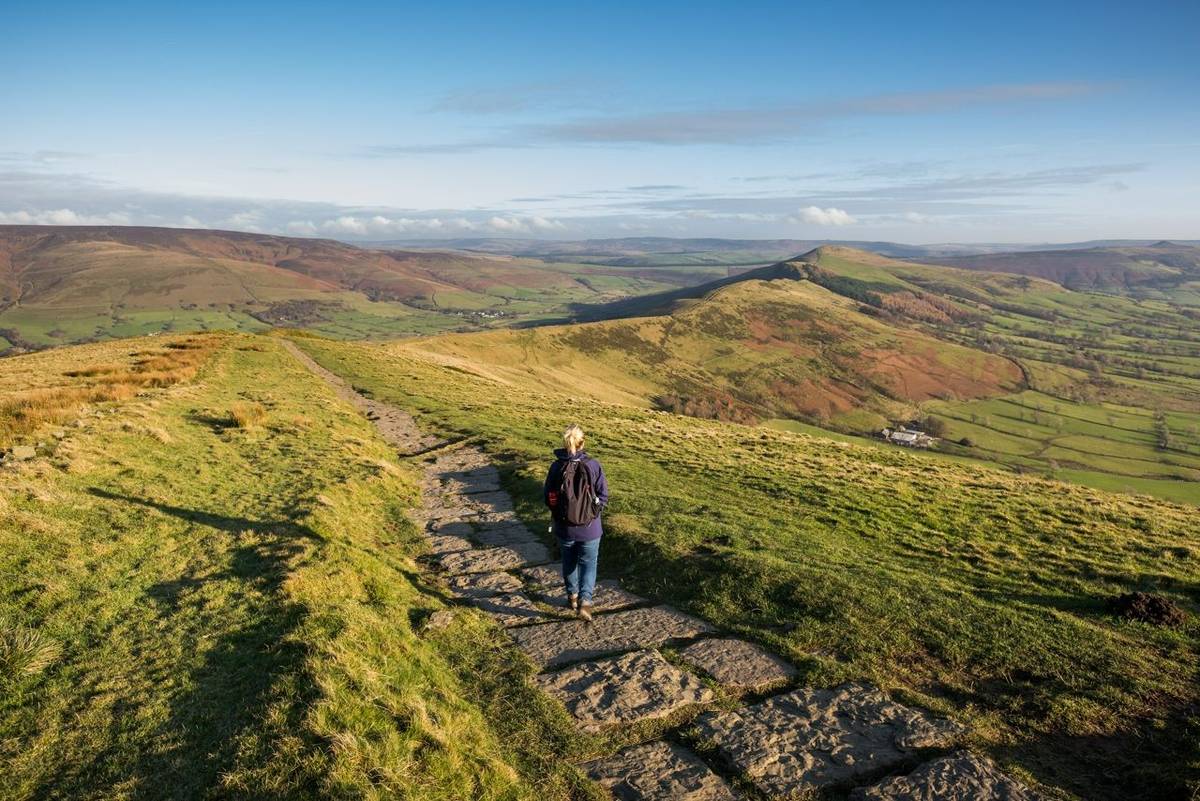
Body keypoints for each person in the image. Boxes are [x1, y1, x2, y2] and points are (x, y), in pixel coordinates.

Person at [543, 424, 609, 621]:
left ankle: (572, 597)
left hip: (564, 527)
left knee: (569, 561)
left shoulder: (556, 467)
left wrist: (557, 512)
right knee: (589, 563)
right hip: (590, 528)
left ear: (565, 443)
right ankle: (585, 601)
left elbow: (548, 496)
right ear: (583, 443)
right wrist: (594, 512)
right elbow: (603, 495)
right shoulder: (593, 465)